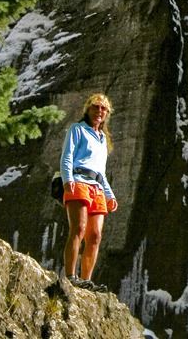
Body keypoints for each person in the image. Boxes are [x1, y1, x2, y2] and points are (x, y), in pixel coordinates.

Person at [60, 93, 118, 292]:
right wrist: (67, 180)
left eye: (103, 108)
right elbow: (67, 156)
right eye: (96, 107)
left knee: (95, 236)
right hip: (78, 181)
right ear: (88, 109)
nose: (99, 111)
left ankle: (86, 281)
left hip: (97, 188)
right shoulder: (77, 130)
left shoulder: (103, 139)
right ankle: (70, 276)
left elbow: (101, 172)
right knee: (79, 228)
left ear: (107, 113)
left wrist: (110, 195)